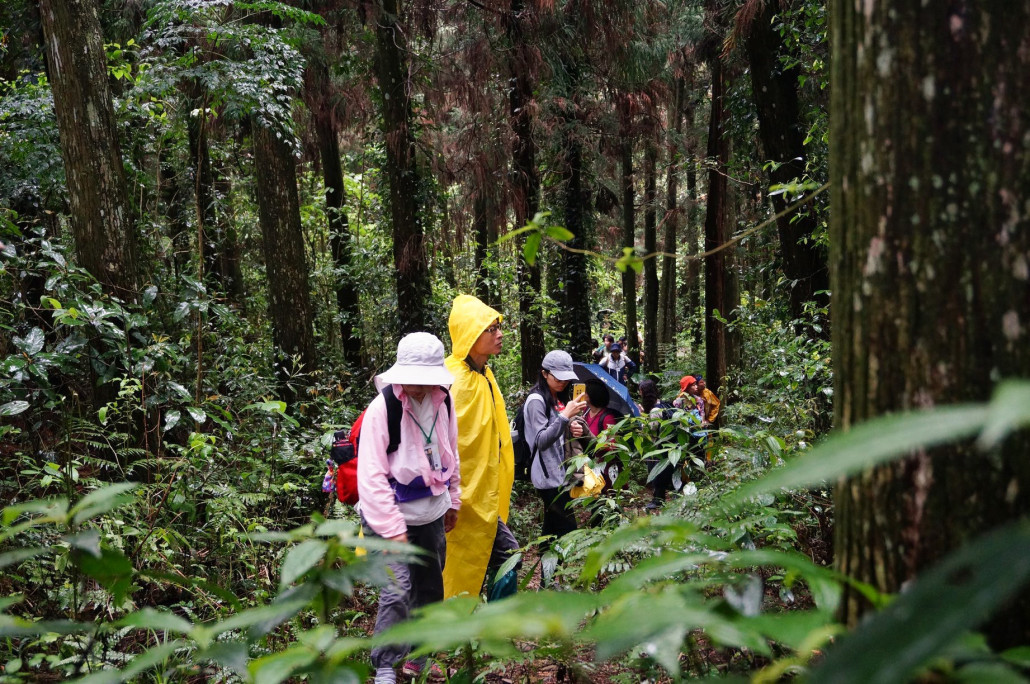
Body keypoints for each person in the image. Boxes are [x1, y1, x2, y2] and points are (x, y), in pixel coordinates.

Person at [357, 333, 461, 684]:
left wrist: (453, 499)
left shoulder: (443, 401)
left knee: (430, 586)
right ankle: (386, 664)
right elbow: (370, 475)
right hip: (391, 512)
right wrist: (391, 529)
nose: (417, 384)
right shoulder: (382, 408)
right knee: (397, 589)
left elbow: (451, 452)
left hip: (431, 510)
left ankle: (419, 653)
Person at [442, 294, 520, 601]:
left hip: (483, 494)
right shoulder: (452, 380)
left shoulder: (485, 374)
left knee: (502, 555)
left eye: (498, 326)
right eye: (490, 329)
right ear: (470, 336)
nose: (499, 334)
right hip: (459, 497)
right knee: (501, 555)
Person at [525, 350, 587, 547]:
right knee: (569, 530)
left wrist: (571, 426)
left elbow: (557, 429)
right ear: (544, 374)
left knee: (552, 531)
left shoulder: (557, 398)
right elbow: (541, 440)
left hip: (560, 473)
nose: (563, 383)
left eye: (566, 379)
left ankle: (547, 577)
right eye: (558, 378)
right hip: (547, 477)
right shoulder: (536, 400)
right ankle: (558, 574)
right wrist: (564, 416)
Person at [638, 378, 676, 510]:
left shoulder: (655, 411)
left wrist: (641, 418)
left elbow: (649, 429)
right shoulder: (665, 404)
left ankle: (658, 499)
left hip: (656, 446)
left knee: (656, 473)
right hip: (669, 445)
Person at [581, 380, 623, 489]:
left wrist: (594, 444)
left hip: (605, 467)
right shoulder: (585, 412)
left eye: (585, 392)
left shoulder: (608, 417)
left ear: (592, 395)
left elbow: (613, 445)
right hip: (590, 465)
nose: (582, 394)